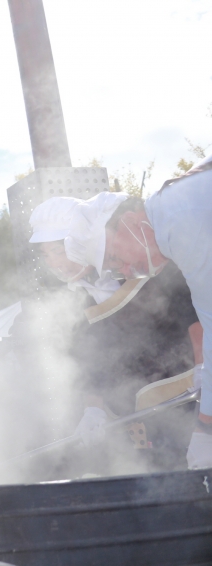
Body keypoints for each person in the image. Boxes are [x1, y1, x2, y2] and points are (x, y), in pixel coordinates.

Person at [89, 157, 211, 468]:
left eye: (118, 258)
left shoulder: (179, 223)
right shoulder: (171, 210)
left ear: (129, 220)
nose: (129, 271)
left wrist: (206, 431)